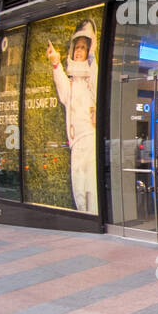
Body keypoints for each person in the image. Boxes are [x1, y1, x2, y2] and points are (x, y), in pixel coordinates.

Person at [46, 21, 98, 214]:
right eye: (77, 47)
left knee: (90, 182)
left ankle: (93, 215)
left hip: (89, 139)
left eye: (83, 48)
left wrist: (92, 51)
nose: (79, 51)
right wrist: (55, 63)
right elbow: (63, 92)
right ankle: (85, 216)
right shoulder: (73, 82)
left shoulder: (90, 78)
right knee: (78, 182)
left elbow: (95, 75)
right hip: (76, 142)